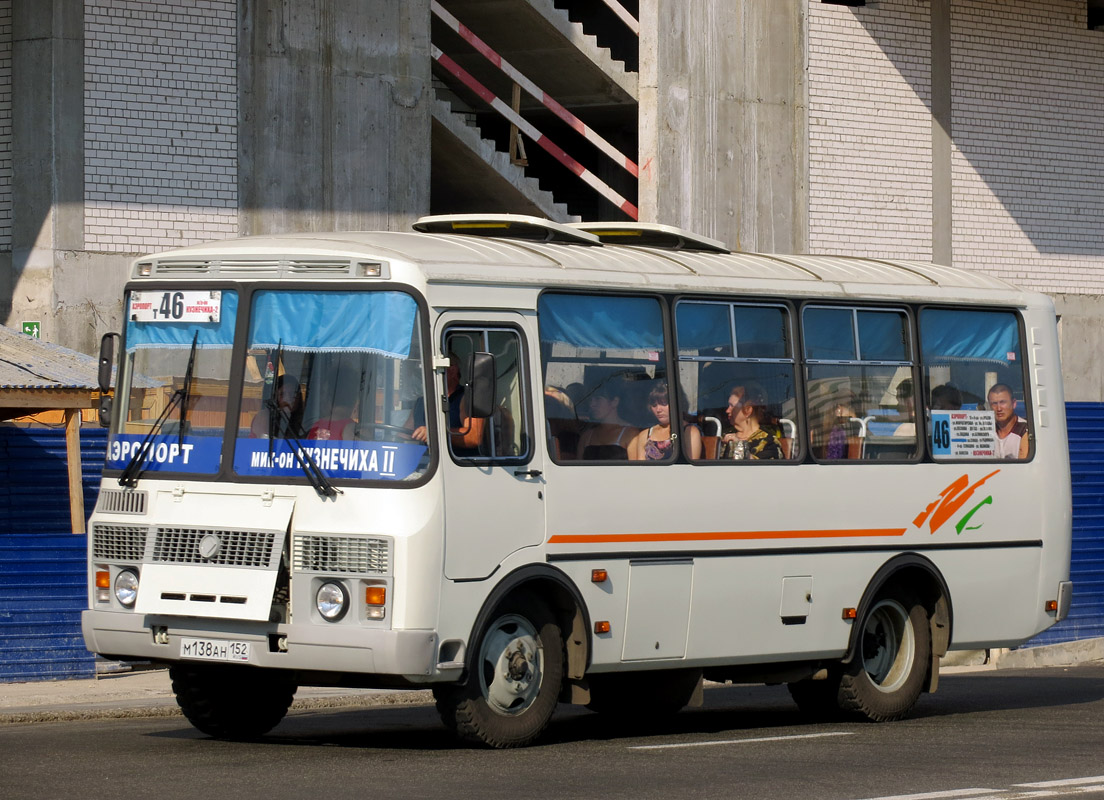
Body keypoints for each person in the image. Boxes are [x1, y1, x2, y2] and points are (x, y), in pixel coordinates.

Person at [628, 383, 703, 461]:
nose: (658, 410)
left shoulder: (690, 432)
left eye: (663, 403)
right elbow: (641, 468)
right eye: (654, 405)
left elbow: (691, 468)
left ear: (677, 403)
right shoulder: (644, 435)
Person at [719, 383, 783, 460]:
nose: (727, 410)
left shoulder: (769, 442)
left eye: (732, 406)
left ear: (747, 410)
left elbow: (763, 469)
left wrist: (739, 446)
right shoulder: (725, 435)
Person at [577, 381, 638, 460]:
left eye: (598, 399)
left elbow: (636, 469)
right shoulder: (587, 436)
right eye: (590, 400)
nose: (592, 404)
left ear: (615, 402)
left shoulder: (631, 434)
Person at [250, 374, 305, 439]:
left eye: (293, 394)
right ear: (275, 397)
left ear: (299, 397)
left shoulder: (308, 419)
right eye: (282, 394)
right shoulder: (264, 418)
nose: (287, 399)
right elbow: (257, 444)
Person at [988, 383, 1029, 459]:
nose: (999, 408)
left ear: (1014, 404)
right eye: (994, 404)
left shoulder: (1025, 430)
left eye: (1003, 402)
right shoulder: (987, 431)